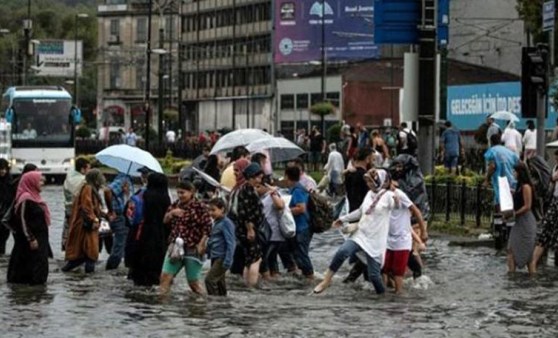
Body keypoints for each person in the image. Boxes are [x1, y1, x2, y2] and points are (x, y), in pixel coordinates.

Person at [313, 169, 396, 295]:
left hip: (376, 240)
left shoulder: (389, 196)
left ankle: (383, 298)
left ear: (380, 181)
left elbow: (399, 206)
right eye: (367, 181)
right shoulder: (369, 195)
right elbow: (360, 211)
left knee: (374, 276)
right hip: (362, 233)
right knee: (342, 252)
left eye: (371, 181)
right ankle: (326, 280)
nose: (368, 184)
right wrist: (343, 219)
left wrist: (398, 199)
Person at [160, 181, 212, 295]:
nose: (180, 195)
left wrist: (202, 244)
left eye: (182, 193)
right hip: (176, 247)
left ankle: (204, 304)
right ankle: (162, 308)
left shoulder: (200, 207)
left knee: (193, 283)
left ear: (191, 192)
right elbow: (165, 220)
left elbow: (207, 227)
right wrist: (172, 213)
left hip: (193, 248)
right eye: (178, 193)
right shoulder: (175, 205)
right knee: (165, 277)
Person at [6, 171, 51, 284]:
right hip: (32, 239)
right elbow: (22, 220)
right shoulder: (26, 198)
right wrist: (31, 238)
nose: (42, 183)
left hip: (40, 237)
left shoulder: (35, 197)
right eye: (39, 181)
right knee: (33, 263)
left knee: (39, 262)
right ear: (31, 182)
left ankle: (37, 292)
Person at [128, 173, 171, 286]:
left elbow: (127, 212)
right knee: (155, 267)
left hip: (139, 232)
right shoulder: (165, 198)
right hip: (158, 235)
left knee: (138, 266)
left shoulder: (142, 194)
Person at [383, 183, 427, 294]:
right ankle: (390, 286)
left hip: (403, 245)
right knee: (387, 268)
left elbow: (412, 232)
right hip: (392, 243)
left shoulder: (403, 208)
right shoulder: (387, 200)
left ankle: (404, 288)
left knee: (411, 268)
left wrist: (421, 239)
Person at [228, 162, 266, 287]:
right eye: (257, 177)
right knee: (256, 259)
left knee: (249, 260)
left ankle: (247, 284)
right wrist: (250, 229)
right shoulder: (247, 190)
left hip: (243, 229)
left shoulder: (243, 188)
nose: (259, 180)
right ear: (250, 177)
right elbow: (246, 212)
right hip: (249, 229)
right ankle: (252, 286)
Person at [63, 169, 106, 273]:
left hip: (84, 225)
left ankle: (77, 277)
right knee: (90, 254)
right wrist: (94, 219)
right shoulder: (88, 188)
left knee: (82, 255)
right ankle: (88, 282)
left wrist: (103, 214)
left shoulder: (90, 188)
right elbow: (86, 207)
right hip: (86, 226)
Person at [505, 162, 537, 274]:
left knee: (529, 257)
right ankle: (511, 276)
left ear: (520, 172)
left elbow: (527, 206)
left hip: (526, 222)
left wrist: (514, 214)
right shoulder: (520, 186)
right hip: (519, 222)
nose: (513, 173)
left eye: (515, 171)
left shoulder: (526, 186)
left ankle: (530, 280)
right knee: (511, 249)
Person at [285, 166, 314, 281]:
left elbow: (301, 208)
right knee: (298, 253)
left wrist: (285, 211)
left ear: (287, 176)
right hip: (300, 227)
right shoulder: (296, 188)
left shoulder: (297, 190)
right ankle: (305, 275)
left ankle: (310, 277)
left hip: (303, 227)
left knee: (302, 253)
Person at [531, 150, 558, 272]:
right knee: (544, 233)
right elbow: (551, 180)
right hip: (554, 202)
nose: (556, 160)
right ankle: (533, 263)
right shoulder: (555, 168)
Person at [256, 179, 286, 280]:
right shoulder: (262, 197)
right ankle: (275, 280)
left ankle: (267, 280)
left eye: (258, 187)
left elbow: (280, 205)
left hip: (273, 234)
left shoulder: (272, 195)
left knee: (263, 260)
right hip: (269, 234)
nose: (256, 189)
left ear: (266, 186)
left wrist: (273, 192)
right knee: (272, 260)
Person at [205, 198, 236, 296]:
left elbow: (231, 242)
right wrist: (208, 252)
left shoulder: (226, 223)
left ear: (222, 209)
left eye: (213, 210)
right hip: (215, 257)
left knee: (209, 280)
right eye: (209, 210)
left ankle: (213, 302)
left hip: (222, 258)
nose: (211, 213)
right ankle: (222, 305)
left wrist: (228, 260)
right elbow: (213, 240)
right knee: (219, 283)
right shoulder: (217, 222)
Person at [104, 174, 133, 270]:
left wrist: (126, 193)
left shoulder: (127, 180)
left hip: (124, 217)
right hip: (119, 216)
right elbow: (107, 190)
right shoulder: (123, 179)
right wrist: (111, 210)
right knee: (118, 247)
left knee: (123, 246)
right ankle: (110, 269)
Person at [62, 158, 91, 251]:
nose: (89, 171)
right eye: (88, 169)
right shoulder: (83, 180)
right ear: (83, 169)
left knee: (68, 231)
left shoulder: (68, 177)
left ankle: (67, 250)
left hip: (68, 208)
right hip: (78, 211)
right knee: (78, 233)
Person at [484, 134, 520, 207]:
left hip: (499, 180)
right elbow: (518, 165)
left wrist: (486, 180)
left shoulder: (491, 151)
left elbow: (492, 166)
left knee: (499, 203)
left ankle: (500, 217)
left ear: (491, 142)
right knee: (509, 202)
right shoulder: (510, 152)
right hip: (511, 181)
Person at [0, 159, 14, 255]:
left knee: (4, 235)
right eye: (1, 169)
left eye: (4, 169)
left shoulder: (9, 181)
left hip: (5, 213)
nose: (3, 171)